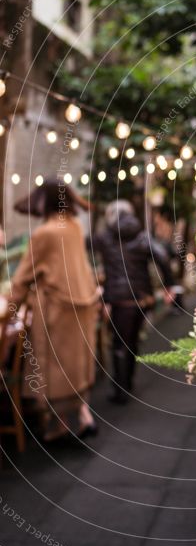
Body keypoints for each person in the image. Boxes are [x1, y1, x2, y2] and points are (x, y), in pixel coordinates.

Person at [9, 179, 100, 441]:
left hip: (56, 312)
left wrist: (11, 308)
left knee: (54, 368)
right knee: (74, 368)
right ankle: (76, 420)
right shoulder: (73, 226)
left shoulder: (46, 233)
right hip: (81, 307)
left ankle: (59, 425)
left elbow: (23, 277)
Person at [90, 200, 174, 404]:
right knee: (133, 340)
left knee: (119, 344)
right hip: (141, 299)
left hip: (119, 300)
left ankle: (121, 389)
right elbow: (162, 256)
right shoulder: (142, 235)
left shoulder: (104, 237)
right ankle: (128, 381)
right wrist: (169, 285)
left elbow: (83, 246)